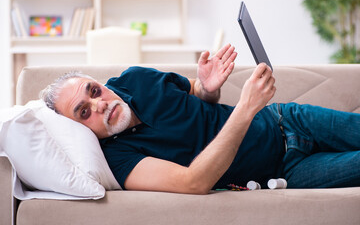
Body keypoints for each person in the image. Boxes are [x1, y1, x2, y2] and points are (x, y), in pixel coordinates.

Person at [40, 44, 360, 194]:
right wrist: (246, 108)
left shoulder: (135, 78)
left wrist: (206, 88)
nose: (98, 105)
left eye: (94, 91)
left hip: (288, 118)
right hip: (283, 171)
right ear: (78, 129)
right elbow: (193, 182)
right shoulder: (118, 159)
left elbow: (193, 92)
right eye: (83, 111)